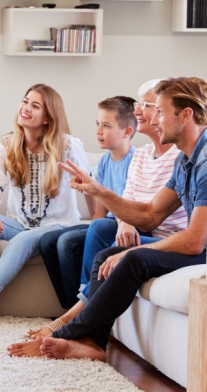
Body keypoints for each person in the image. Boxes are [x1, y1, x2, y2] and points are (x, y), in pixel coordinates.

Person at [8, 76, 207, 361]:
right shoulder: (187, 159)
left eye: (160, 111)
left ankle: (65, 332)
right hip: (203, 246)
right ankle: (94, 342)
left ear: (186, 115)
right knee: (107, 254)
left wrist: (134, 250)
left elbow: (195, 241)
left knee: (132, 258)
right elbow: (150, 215)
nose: (152, 119)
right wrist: (98, 190)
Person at [27, 79, 190, 340]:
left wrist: (117, 213)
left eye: (148, 106)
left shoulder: (183, 159)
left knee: (96, 232)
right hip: (139, 226)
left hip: (160, 235)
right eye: (139, 105)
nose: (138, 111)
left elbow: (151, 215)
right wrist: (119, 216)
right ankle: (78, 312)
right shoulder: (141, 155)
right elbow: (126, 202)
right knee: (86, 231)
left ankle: (76, 317)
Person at [0, 84, 94, 327]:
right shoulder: (5, 145)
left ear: (48, 118)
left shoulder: (68, 146)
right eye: (25, 102)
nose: (26, 109)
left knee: (24, 239)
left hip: (59, 226)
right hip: (20, 223)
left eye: (35, 106)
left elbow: (89, 186)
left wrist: (96, 222)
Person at [39, 96, 137, 310]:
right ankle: (70, 307)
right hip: (106, 226)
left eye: (106, 125)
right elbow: (99, 214)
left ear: (127, 132)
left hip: (126, 226)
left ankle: (86, 303)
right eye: (97, 124)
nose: (98, 131)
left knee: (68, 242)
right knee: (47, 241)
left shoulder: (136, 160)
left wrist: (99, 227)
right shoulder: (103, 162)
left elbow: (135, 209)